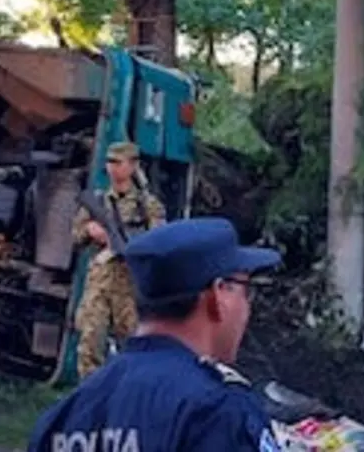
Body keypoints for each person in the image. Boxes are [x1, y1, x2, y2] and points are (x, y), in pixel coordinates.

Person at [28, 217, 283, 451]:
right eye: (246, 291)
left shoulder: (63, 417)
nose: (247, 306)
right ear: (218, 295)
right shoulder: (218, 411)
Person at [71, 140, 167, 377]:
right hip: (100, 283)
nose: (112, 168)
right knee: (89, 343)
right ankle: (90, 398)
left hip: (129, 286)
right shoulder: (99, 201)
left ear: (133, 166)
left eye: (118, 162)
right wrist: (90, 231)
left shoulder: (147, 205)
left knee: (133, 346)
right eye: (109, 162)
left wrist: (127, 243)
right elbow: (75, 236)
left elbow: (159, 242)